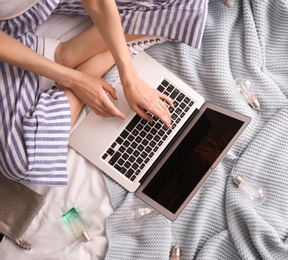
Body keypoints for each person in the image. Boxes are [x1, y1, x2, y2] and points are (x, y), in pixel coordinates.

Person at [0, 0, 209, 185]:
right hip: (8, 39)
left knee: (188, 4)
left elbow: (99, 3)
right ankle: (91, 62)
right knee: (25, 162)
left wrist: (129, 75)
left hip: (41, 6)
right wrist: (76, 79)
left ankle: (70, 55)